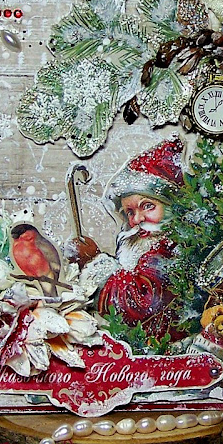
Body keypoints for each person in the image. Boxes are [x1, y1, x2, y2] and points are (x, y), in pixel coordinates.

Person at [75, 136, 186, 342]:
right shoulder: (145, 246)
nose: (137, 220)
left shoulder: (169, 249)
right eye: (130, 212)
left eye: (147, 206)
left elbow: (139, 301)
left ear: (171, 205)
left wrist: (94, 262)